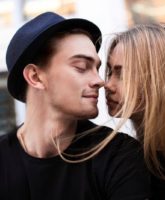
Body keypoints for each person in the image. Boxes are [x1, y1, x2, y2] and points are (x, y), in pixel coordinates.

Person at [0, 12, 151, 200]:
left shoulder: (119, 155)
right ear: (35, 77)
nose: (99, 81)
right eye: (81, 67)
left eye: (97, 68)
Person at [104, 23, 165, 200]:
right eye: (110, 71)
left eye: (122, 74)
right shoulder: (126, 162)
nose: (107, 85)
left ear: (157, 79)